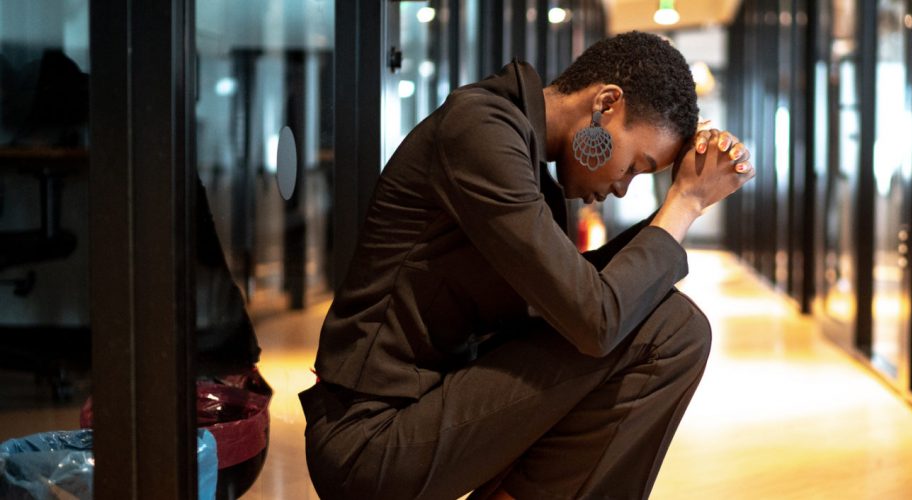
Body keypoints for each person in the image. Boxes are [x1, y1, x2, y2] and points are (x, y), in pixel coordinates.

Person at [299, 31, 754, 499]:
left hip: (429, 405)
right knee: (669, 330)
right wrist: (686, 203)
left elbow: (583, 296)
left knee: (676, 325)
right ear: (606, 104)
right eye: (635, 165)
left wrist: (682, 196)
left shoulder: (524, 155)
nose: (622, 188)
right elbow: (596, 318)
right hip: (370, 438)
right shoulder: (480, 131)